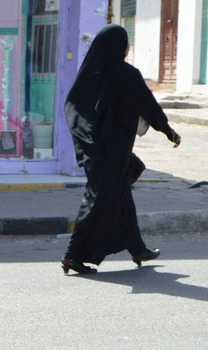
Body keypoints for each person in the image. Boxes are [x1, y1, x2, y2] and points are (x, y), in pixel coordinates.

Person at [60, 25, 181, 275]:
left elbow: (72, 105)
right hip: (112, 153)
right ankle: (72, 255)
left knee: (122, 197)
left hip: (96, 150)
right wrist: (169, 131)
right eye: (127, 43)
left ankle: (138, 248)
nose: (128, 48)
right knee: (97, 200)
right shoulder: (126, 74)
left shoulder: (90, 74)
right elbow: (149, 106)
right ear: (120, 46)